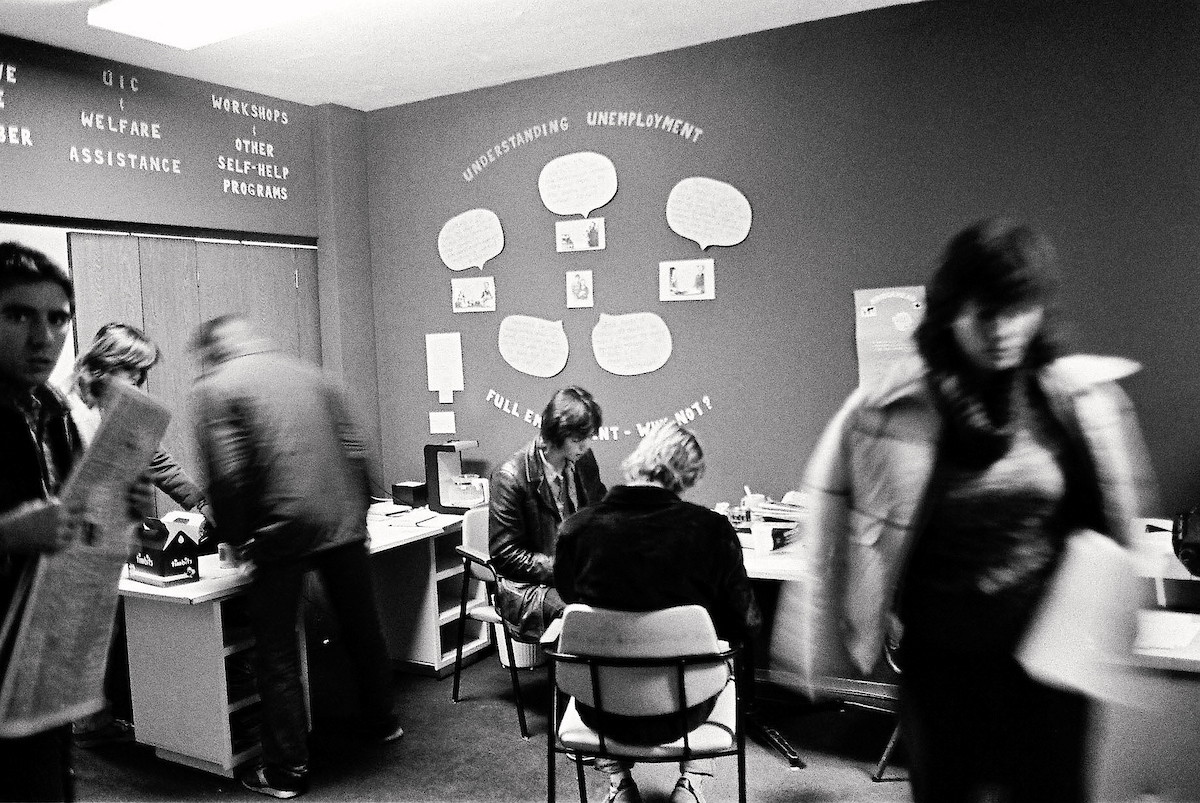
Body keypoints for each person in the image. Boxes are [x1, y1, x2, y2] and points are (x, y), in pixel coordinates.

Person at [771, 218, 1157, 803]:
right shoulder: (890, 409)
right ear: (951, 312)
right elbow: (829, 514)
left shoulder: (1073, 401)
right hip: (942, 665)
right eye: (984, 311)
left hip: (1049, 663)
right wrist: (825, 642)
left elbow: (1111, 518)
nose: (1002, 329)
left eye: (1018, 308)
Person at [188, 314, 403, 799]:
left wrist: (236, 536)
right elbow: (356, 447)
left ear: (213, 349)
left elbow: (228, 473)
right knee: (361, 624)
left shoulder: (215, 388)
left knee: (277, 649)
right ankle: (383, 721)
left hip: (282, 528)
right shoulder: (313, 374)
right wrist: (363, 508)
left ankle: (285, 771)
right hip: (343, 519)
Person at [0, 241, 151, 802]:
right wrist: (8, 534)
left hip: (42, 643)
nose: (42, 337)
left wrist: (116, 508)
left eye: (57, 319)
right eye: (18, 315)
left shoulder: (52, 411)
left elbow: (69, 516)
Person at [555, 422, 761, 803]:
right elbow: (746, 624)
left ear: (639, 463)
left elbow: (573, 603)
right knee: (726, 663)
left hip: (599, 710)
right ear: (687, 477)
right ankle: (692, 783)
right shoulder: (711, 530)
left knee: (594, 660)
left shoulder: (576, 529)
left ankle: (618, 781)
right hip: (687, 709)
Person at [67, 322, 215, 749]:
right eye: (136, 374)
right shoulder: (66, 412)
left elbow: (160, 463)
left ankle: (104, 713)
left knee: (113, 625)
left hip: (115, 533)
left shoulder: (125, 409)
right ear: (109, 366)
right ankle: (84, 721)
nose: (142, 384)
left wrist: (200, 503)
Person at [489, 386, 606, 640]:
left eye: (588, 437)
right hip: (527, 587)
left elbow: (601, 512)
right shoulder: (509, 478)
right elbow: (505, 556)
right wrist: (565, 569)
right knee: (583, 616)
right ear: (556, 435)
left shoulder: (583, 460)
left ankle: (602, 679)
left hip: (576, 574)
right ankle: (577, 680)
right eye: (577, 439)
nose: (585, 445)